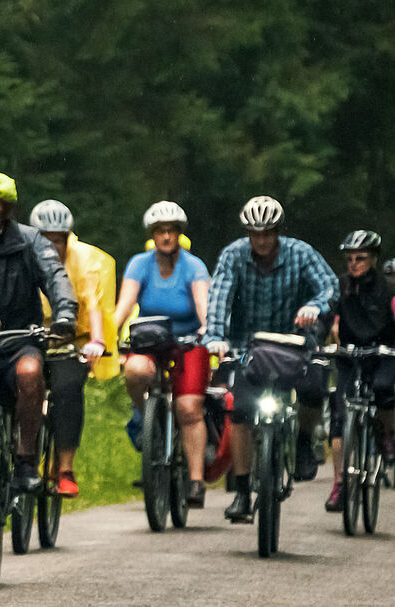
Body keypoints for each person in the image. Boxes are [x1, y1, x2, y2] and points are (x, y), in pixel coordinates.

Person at [204, 196, 338, 522]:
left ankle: (305, 440)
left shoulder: (301, 253)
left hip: (294, 342)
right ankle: (241, 490)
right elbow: (219, 297)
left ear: (278, 231)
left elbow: (330, 286)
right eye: (255, 233)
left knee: (313, 385)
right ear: (248, 233)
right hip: (249, 346)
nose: (262, 240)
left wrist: (316, 306)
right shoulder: (233, 255)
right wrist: (216, 337)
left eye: (268, 233)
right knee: (241, 412)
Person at [0, 173, 78, 493]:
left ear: (7, 208)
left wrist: (65, 315)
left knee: (31, 373)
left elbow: (56, 278)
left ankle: (26, 462)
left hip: (18, 340)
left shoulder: (31, 240)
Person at [112, 201, 212, 506]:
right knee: (135, 370)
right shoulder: (139, 264)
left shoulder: (193, 266)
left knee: (189, 408)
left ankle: (195, 480)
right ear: (153, 236)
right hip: (151, 341)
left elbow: (203, 308)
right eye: (160, 231)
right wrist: (106, 339)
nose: (166, 236)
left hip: (188, 342)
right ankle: (145, 420)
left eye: (171, 231)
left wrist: (209, 330)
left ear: (179, 234)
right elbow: (124, 306)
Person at [28, 199, 117, 498]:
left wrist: (97, 341)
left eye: (59, 240)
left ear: (68, 238)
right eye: (47, 240)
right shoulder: (24, 257)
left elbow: (92, 303)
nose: (53, 247)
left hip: (71, 340)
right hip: (32, 337)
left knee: (67, 391)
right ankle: (21, 460)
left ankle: (65, 468)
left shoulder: (83, 263)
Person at [325, 230, 395, 511]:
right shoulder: (339, 287)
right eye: (350, 259)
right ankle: (340, 485)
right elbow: (326, 315)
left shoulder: (388, 289)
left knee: (384, 391)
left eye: (361, 258)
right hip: (350, 356)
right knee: (340, 416)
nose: (354, 264)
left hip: (383, 355)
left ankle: (386, 435)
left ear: (374, 259)